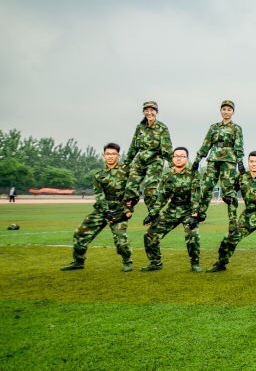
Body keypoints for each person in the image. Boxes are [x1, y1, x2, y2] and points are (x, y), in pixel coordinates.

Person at [61, 143, 134, 272]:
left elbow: (133, 192)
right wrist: (106, 212)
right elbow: (99, 195)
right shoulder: (99, 175)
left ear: (118, 155)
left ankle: (127, 261)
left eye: (113, 154)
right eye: (107, 154)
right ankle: (78, 261)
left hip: (119, 211)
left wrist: (129, 209)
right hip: (101, 210)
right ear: (103, 156)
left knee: (121, 240)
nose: (110, 157)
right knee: (80, 233)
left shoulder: (126, 172)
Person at [140, 147, 202, 272]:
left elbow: (196, 195)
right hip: (172, 211)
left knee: (193, 236)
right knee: (150, 235)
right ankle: (155, 263)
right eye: (176, 156)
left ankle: (195, 263)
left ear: (187, 159)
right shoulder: (167, 176)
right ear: (172, 158)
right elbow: (162, 197)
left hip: (188, 211)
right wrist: (152, 214)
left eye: (182, 156)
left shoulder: (193, 174)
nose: (178, 158)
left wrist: (195, 215)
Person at [193, 100, 245, 234]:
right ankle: (200, 214)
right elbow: (206, 143)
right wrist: (198, 158)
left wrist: (240, 162)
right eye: (224, 109)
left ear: (233, 112)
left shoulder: (236, 128)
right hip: (213, 159)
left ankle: (233, 222)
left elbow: (238, 146)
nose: (226, 112)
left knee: (229, 192)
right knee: (206, 187)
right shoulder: (214, 127)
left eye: (229, 109)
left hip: (228, 161)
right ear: (220, 111)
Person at [122, 101, 173, 221]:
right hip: (140, 159)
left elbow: (167, 147)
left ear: (156, 112)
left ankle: (153, 215)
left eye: (152, 110)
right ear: (144, 112)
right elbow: (133, 146)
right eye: (146, 110)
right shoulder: (140, 127)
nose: (149, 112)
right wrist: (127, 162)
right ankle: (127, 210)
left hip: (155, 160)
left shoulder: (162, 128)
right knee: (130, 186)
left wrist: (172, 164)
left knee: (150, 190)